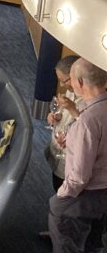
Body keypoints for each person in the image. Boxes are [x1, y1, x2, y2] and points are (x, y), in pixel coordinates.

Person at [44, 59, 107, 253]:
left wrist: (61, 198)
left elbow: (78, 176)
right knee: (93, 247)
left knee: (68, 252)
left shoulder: (88, 121)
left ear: (80, 83)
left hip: (82, 198)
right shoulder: (93, 113)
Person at [43, 55, 83, 194]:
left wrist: (72, 109)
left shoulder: (92, 102)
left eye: (63, 80)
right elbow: (63, 115)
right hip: (59, 151)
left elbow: (87, 128)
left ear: (75, 77)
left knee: (66, 194)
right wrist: (56, 116)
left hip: (71, 160)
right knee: (56, 185)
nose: (61, 85)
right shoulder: (71, 91)